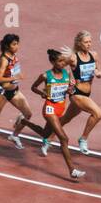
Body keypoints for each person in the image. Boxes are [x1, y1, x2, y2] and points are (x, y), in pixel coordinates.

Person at [22, 48, 85, 182]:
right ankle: (72, 170)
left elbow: (70, 89)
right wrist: (42, 94)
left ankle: (23, 122)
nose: (63, 63)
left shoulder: (67, 73)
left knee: (45, 134)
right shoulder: (46, 75)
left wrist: (71, 89)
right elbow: (33, 87)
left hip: (60, 107)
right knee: (64, 138)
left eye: (64, 61)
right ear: (52, 62)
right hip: (49, 109)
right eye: (60, 61)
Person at [59, 30, 101, 155]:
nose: (89, 44)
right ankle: (83, 139)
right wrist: (68, 79)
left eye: (90, 41)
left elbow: (99, 72)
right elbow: (59, 68)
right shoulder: (73, 58)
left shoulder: (94, 55)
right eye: (86, 42)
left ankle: (47, 138)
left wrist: (98, 73)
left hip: (87, 93)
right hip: (76, 93)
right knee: (98, 114)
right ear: (79, 43)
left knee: (65, 119)